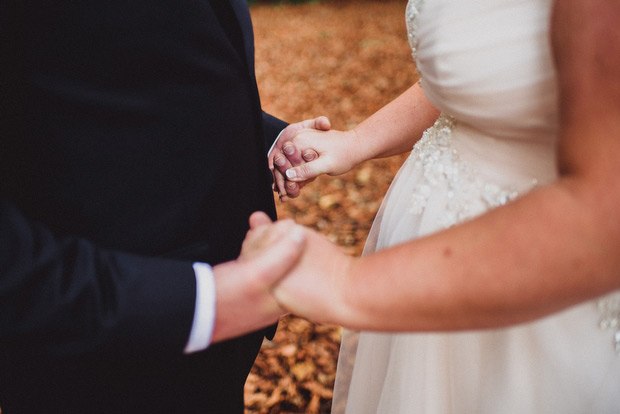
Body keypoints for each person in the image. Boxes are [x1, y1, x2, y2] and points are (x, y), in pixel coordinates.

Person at [258, 0, 620, 412]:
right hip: (425, 240)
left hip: (538, 286)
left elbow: (605, 213)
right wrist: (356, 141)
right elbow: (487, 64)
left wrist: (347, 284)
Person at [0, 1, 327, 413]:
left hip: (218, 333)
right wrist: (200, 303)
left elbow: (131, 70)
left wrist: (269, 139)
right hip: (98, 338)